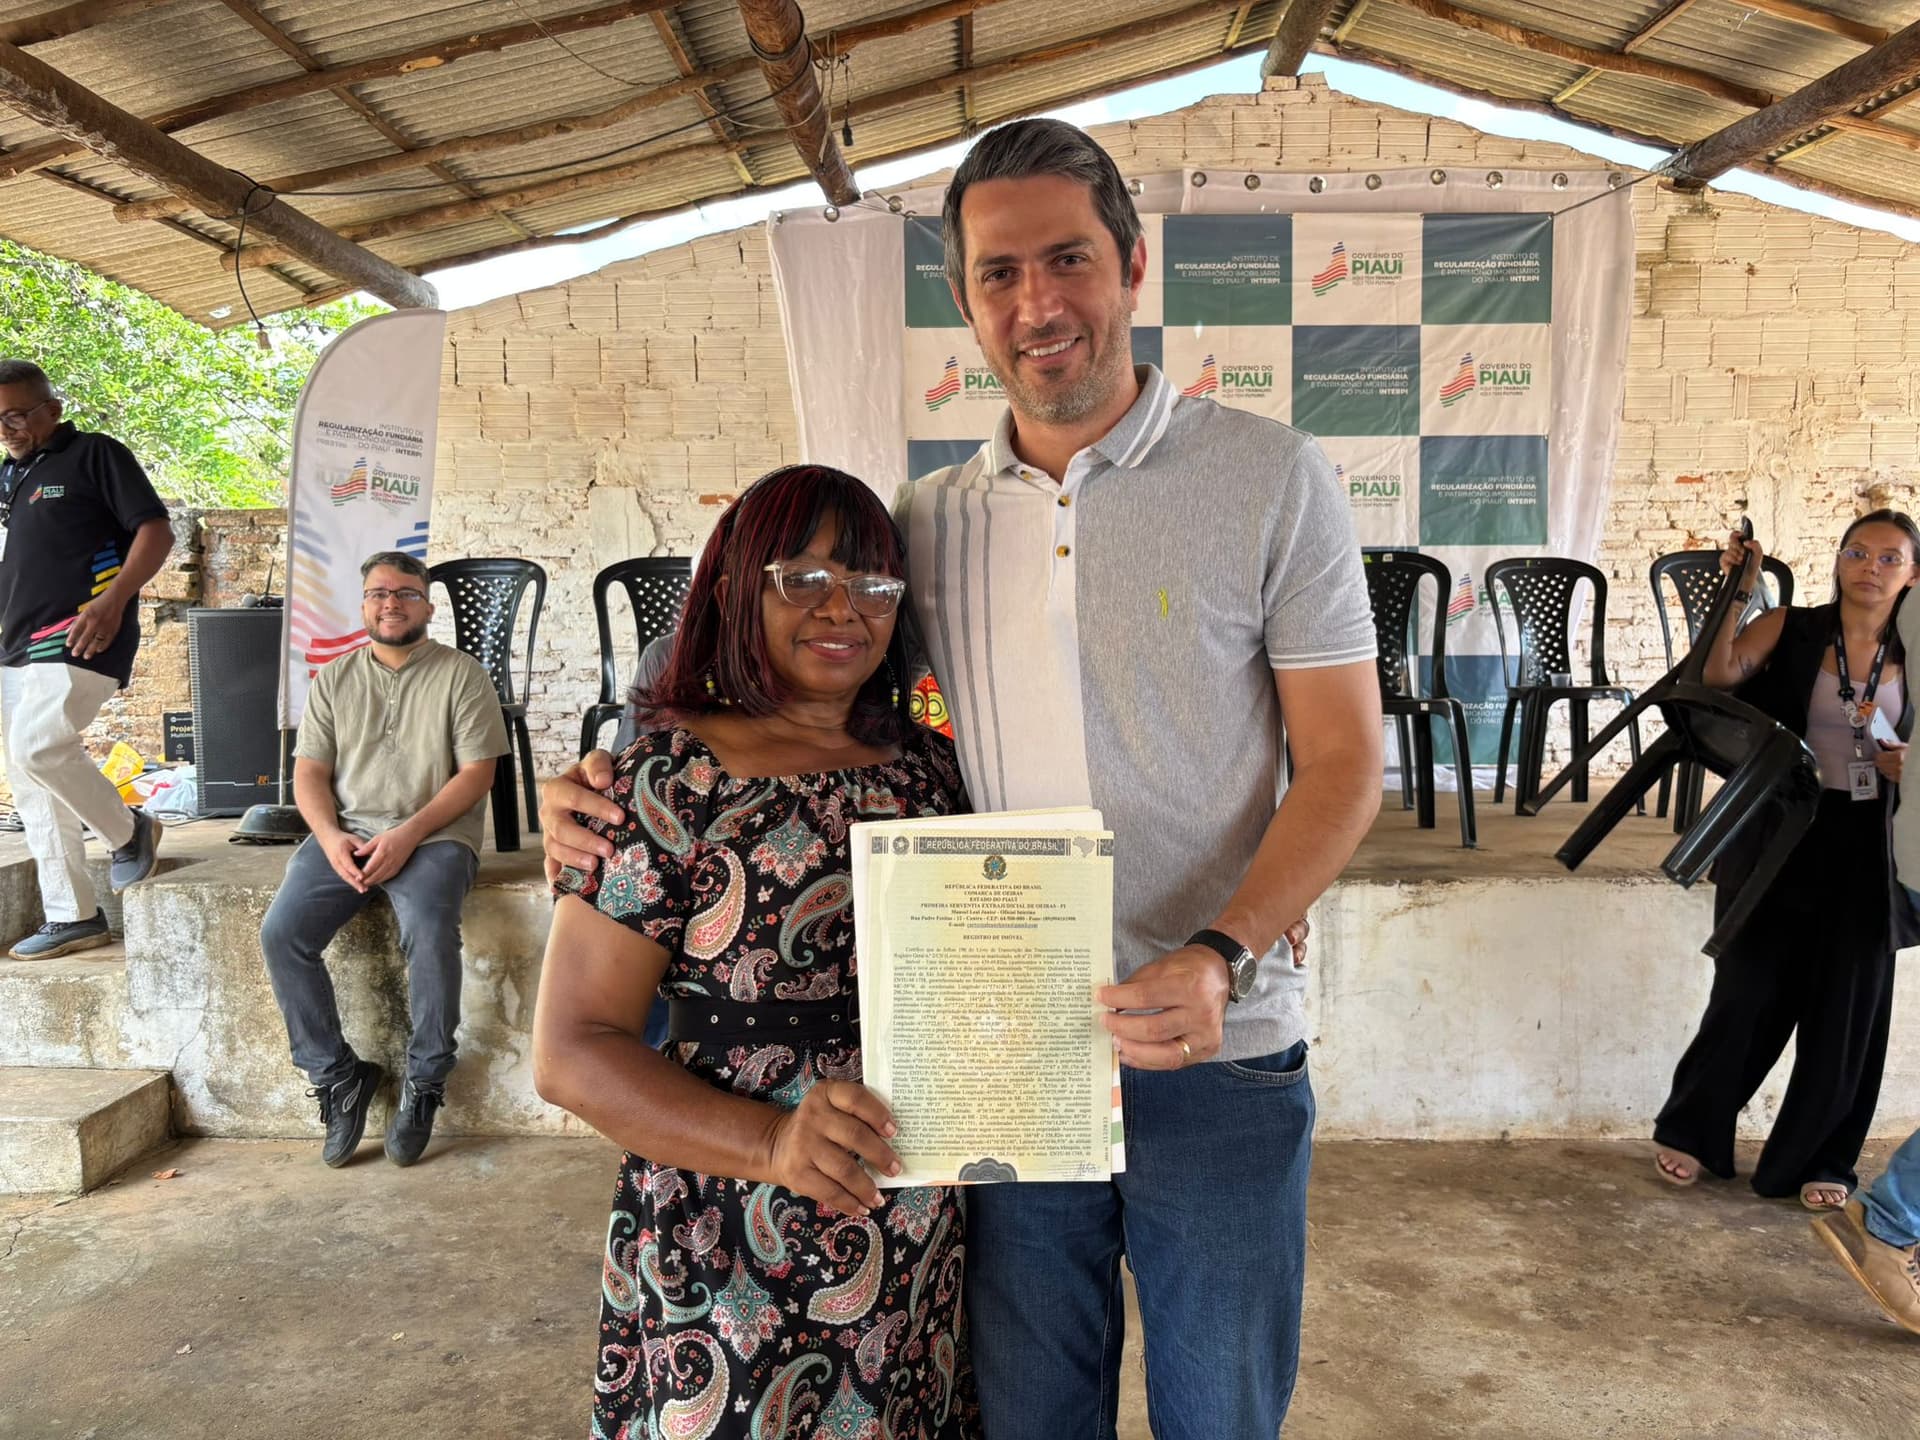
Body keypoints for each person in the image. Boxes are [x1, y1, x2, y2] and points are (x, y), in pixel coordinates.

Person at [543, 118, 1381, 1437]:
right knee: (1029, 1416)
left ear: (1132, 267)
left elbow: (1345, 765)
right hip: (1005, 1054)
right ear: (965, 299)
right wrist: (602, 769)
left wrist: (1226, 947)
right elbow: (744, 639)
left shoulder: (1272, 480)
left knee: (1223, 1415)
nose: (1038, 303)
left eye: (1068, 261)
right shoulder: (928, 524)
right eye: (999, 272)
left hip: (1220, 1053)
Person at [532, 465, 976, 1438]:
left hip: (910, 1230)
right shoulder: (667, 779)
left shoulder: (932, 771)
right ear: (734, 587)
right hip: (726, 1238)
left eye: (871, 584)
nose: (843, 608)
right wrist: (774, 1145)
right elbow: (571, 1050)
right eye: (803, 577)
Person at [1654, 512, 1920, 1210]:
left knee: (1849, 1006)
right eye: (1857, 552)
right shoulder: (1792, 627)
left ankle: (1819, 1159)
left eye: (1889, 558)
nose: (1870, 566)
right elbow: (1718, 671)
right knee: (1748, 986)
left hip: (1875, 841)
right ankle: (1694, 1129)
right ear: (1837, 560)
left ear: (1913, 575)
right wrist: (1742, 586)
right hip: (1780, 826)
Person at [259, 551, 506, 1168]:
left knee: (426, 926)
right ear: (363, 604)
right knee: (282, 933)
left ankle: (426, 1078)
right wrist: (330, 836)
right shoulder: (334, 678)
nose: (390, 603)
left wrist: (406, 837)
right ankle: (337, 1075)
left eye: (404, 593)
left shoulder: (462, 674)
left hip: (437, 836)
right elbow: (310, 772)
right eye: (377, 593)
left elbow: (478, 773)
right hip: (346, 835)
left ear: (427, 604)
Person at [0, 359, 172, 959]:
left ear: (52, 407)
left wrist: (113, 600)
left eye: (18, 414)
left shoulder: (94, 454)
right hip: (12, 644)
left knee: (39, 746)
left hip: (79, 629)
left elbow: (156, 530)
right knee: (31, 781)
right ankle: (73, 914)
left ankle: (130, 831)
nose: (8, 427)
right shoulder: (10, 477)